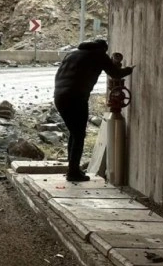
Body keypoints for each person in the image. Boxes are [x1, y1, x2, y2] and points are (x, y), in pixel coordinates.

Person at [54, 39, 133, 182]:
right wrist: (129, 69)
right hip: (76, 98)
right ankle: (73, 172)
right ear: (103, 49)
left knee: (74, 133)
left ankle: (72, 168)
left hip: (59, 97)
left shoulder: (72, 54)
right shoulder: (99, 55)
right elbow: (116, 73)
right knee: (78, 134)